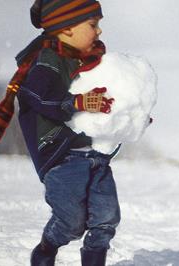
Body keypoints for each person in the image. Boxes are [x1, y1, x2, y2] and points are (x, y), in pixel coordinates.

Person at [16, 1, 120, 265]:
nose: (99, 32)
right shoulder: (46, 60)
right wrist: (77, 102)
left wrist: (130, 115)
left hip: (96, 154)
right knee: (71, 221)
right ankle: (45, 251)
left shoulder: (92, 61)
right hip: (62, 157)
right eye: (93, 25)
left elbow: (110, 98)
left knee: (106, 219)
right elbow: (38, 94)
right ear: (68, 28)